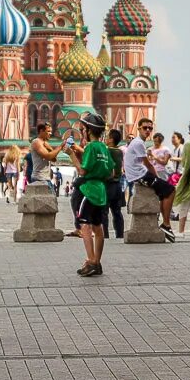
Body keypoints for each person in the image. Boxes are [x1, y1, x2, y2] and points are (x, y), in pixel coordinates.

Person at [69, 112, 114, 277]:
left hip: (88, 190)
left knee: (85, 225)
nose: (82, 132)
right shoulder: (104, 148)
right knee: (98, 227)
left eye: (83, 129)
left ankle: (90, 260)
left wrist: (72, 155)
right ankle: (97, 262)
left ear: (88, 130)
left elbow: (82, 171)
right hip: (101, 191)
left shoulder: (90, 147)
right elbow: (111, 172)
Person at [123, 117, 176, 242]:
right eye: (145, 128)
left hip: (139, 174)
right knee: (171, 190)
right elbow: (148, 164)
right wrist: (157, 177)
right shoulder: (138, 143)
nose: (148, 130)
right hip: (140, 176)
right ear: (139, 128)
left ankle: (165, 223)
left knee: (165, 191)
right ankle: (166, 224)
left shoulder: (137, 142)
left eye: (150, 128)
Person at [104, 129, 125, 239]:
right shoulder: (120, 151)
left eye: (107, 137)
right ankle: (120, 234)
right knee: (117, 212)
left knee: (104, 212)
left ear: (111, 140)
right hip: (118, 185)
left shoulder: (107, 151)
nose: (106, 139)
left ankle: (105, 235)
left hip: (108, 184)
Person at [30, 123, 63, 193]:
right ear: (41, 131)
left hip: (45, 178)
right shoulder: (36, 142)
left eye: (51, 131)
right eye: (48, 131)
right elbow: (48, 156)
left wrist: (50, 149)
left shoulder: (45, 143)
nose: (50, 133)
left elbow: (54, 159)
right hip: (39, 178)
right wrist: (60, 147)